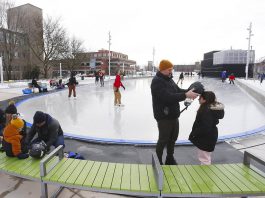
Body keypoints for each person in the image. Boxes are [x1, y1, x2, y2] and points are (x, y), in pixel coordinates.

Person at [151, 59, 199, 165]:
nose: (171, 71)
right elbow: (167, 97)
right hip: (164, 116)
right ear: (162, 69)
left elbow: (178, 91)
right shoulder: (157, 81)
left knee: (173, 138)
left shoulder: (169, 79)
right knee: (163, 139)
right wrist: (186, 95)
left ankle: (170, 157)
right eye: (169, 69)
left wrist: (189, 91)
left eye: (171, 69)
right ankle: (158, 161)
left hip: (173, 115)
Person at [189, 91, 224, 165]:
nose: (198, 99)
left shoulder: (206, 110)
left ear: (204, 100)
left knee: (204, 158)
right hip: (209, 136)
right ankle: (204, 172)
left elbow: (206, 126)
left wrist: (195, 133)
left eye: (200, 98)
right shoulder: (211, 109)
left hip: (206, 138)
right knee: (205, 157)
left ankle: (204, 174)